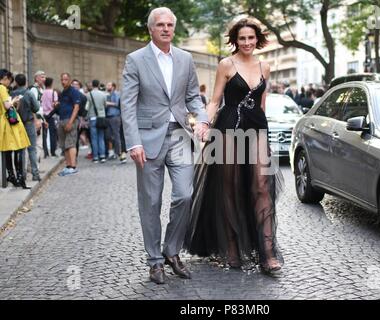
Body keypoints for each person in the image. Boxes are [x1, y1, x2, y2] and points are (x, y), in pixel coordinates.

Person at [183, 18, 284, 276]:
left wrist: (264, 131)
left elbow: (262, 103)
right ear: (235, 40)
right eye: (242, 38)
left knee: (262, 185)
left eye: (251, 38)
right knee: (229, 187)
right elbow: (215, 100)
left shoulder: (265, 66)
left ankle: (268, 252)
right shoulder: (226, 64)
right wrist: (204, 124)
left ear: (257, 39)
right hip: (228, 128)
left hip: (258, 127)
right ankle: (231, 247)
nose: (247, 43)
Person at [121, 7, 208, 285]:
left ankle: (171, 250)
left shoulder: (185, 58)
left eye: (170, 24)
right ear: (151, 29)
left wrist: (201, 121)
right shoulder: (135, 60)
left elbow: (194, 97)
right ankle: (154, 260)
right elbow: (128, 104)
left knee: (184, 194)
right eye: (160, 24)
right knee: (151, 202)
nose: (166, 29)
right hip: (147, 139)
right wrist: (133, 142)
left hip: (181, 135)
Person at [0, 69, 31, 189]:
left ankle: (12, 176)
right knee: (18, 147)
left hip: (5, 121)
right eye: (9, 80)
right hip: (10, 122)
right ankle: (19, 177)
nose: (10, 82)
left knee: (8, 149)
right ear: (5, 78)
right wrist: (15, 100)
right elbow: (7, 106)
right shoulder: (2, 88)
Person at [11, 74, 41, 181]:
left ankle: (21, 175)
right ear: (25, 82)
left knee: (20, 150)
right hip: (28, 122)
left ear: (16, 82)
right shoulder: (29, 93)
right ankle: (35, 174)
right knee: (32, 149)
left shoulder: (12, 94)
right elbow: (36, 108)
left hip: (16, 124)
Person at [56, 73, 80, 176]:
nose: (63, 81)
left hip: (70, 120)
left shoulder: (74, 92)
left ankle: (73, 167)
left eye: (65, 79)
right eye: (62, 79)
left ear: (69, 80)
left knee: (70, 143)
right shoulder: (62, 93)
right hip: (62, 120)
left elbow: (76, 107)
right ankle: (68, 166)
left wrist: (71, 122)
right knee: (64, 145)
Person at [86, 79, 107, 163]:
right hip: (101, 117)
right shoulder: (103, 94)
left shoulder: (88, 95)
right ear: (98, 85)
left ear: (92, 85)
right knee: (101, 137)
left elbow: (87, 107)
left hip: (92, 117)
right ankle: (102, 156)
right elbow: (105, 105)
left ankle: (95, 157)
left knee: (94, 138)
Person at [41, 77, 59, 158]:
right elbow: (55, 104)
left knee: (44, 134)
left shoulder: (42, 92)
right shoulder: (53, 93)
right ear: (51, 83)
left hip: (43, 115)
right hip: (51, 115)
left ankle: (45, 152)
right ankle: (53, 151)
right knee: (53, 134)